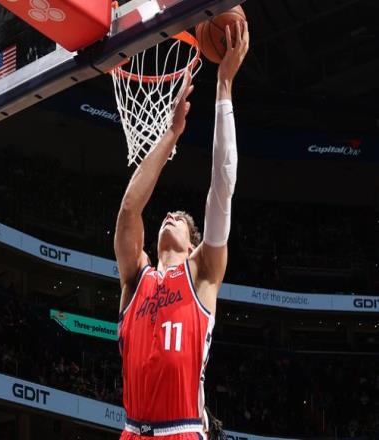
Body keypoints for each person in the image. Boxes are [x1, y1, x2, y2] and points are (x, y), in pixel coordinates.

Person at [115, 21, 249, 440]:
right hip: (131, 431)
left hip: (181, 431)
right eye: (167, 216)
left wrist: (224, 86)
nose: (170, 214)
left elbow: (222, 187)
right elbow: (129, 210)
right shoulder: (136, 278)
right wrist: (171, 134)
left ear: (193, 245)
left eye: (181, 219)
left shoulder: (202, 273)